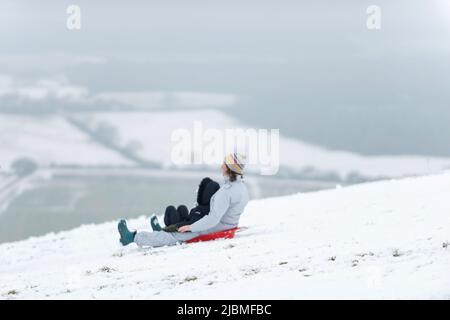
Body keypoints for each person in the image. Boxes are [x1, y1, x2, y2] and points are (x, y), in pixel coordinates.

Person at [117, 153, 249, 247]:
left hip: (214, 228)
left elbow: (213, 219)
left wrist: (191, 227)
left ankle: (132, 237)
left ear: (228, 168)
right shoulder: (241, 188)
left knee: (174, 236)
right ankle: (163, 230)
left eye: (224, 164)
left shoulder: (226, 192)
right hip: (227, 225)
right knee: (182, 225)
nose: (221, 166)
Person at [150, 177, 220, 232]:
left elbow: (193, 223)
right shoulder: (207, 207)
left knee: (170, 208)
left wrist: (174, 227)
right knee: (182, 208)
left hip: (183, 227)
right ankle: (170, 225)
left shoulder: (203, 210)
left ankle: (162, 230)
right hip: (187, 221)